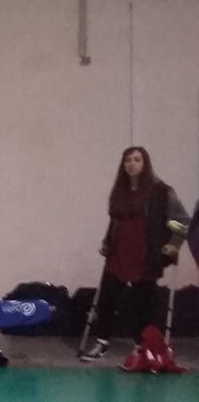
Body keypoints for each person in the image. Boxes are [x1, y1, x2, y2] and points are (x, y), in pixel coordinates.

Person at [81, 146, 190, 361]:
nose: (132, 164)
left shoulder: (161, 191)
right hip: (118, 253)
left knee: (144, 305)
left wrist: (174, 244)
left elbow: (183, 222)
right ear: (123, 165)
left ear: (145, 163)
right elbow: (115, 221)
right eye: (128, 160)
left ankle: (142, 346)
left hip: (146, 256)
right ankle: (102, 341)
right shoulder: (119, 191)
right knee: (107, 300)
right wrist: (107, 241)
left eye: (137, 160)